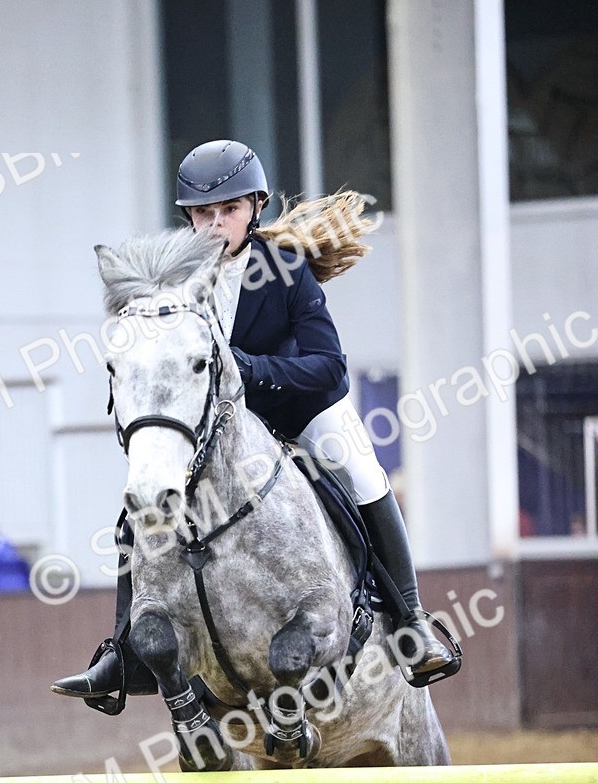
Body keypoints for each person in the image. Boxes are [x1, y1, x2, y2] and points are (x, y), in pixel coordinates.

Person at [52, 139, 457, 706]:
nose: (216, 225)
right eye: (203, 214)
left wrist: (247, 370)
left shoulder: (284, 270)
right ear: (188, 217)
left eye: (229, 211)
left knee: (362, 472)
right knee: (137, 512)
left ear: (256, 208)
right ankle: (124, 654)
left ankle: (410, 621)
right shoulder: (172, 283)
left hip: (297, 410)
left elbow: (329, 368)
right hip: (218, 430)